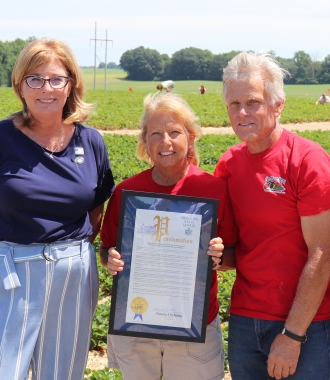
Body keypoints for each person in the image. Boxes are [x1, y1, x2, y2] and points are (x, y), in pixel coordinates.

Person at [0, 38, 115, 380]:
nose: (46, 88)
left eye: (57, 79)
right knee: (4, 372)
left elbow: (95, 212)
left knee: (62, 373)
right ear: (20, 86)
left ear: (71, 85)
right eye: (35, 79)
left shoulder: (91, 142)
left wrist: (70, 252)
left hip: (73, 274)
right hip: (11, 270)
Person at [215, 51, 330, 380]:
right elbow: (232, 253)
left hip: (304, 323)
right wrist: (208, 254)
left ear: (277, 105)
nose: (242, 112)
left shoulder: (306, 160)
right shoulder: (228, 165)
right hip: (245, 319)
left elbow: (321, 254)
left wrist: (292, 336)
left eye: (253, 102)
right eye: (234, 104)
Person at [99, 93, 236, 380]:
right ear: (145, 141)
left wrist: (219, 256)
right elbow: (107, 246)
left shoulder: (214, 189)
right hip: (137, 324)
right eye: (156, 134)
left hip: (193, 325)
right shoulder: (127, 192)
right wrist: (109, 259)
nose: (166, 141)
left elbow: (232, 255)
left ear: (191, 137)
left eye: (175, 132)